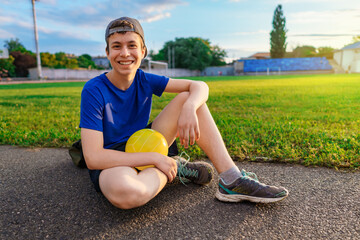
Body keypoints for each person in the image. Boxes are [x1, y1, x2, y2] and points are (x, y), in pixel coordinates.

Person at [80, 17, 288, 209]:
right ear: (107, 53)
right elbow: (94, 157)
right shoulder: (94, 90)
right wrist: (156, 158)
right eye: (117, 46)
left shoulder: (144, 79)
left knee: (190, 98)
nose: (124, 53)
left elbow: (200, 86)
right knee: (128, 194)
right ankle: (174, 167)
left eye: (132, 45)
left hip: (145, 140)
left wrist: (189, 108)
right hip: (115, 158)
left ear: (143, 51)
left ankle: (231, 179)